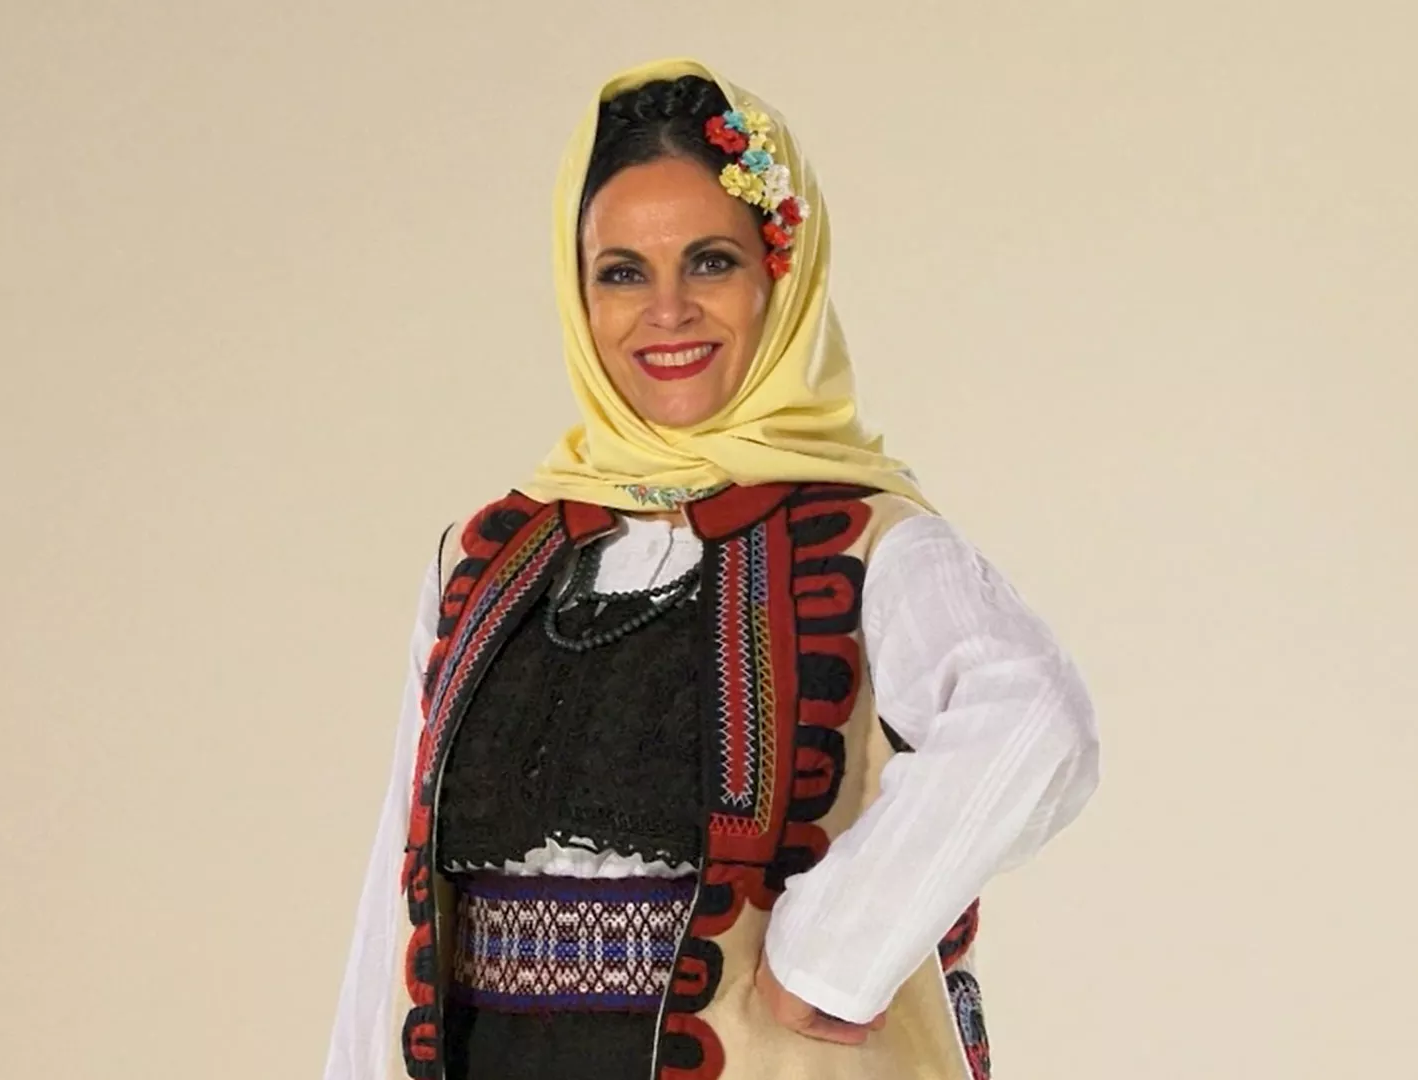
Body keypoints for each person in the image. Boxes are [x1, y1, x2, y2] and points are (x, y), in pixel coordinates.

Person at [323, 57, 1100, 1080]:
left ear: (780, 276)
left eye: (710, 262)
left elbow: (1033, 723)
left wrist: (837, 950)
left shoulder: (870, 541)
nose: (668, 309)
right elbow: (397, 888)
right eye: (622, 273)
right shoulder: (487, 557)